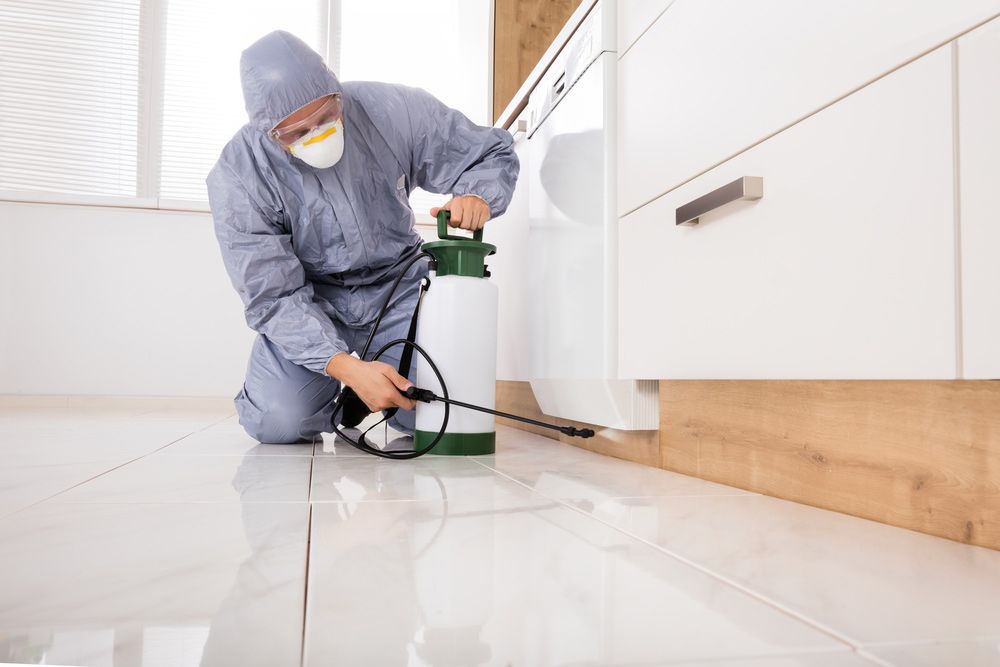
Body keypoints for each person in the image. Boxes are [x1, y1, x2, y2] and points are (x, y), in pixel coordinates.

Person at [207, 31, 518, 444]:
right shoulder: (239, 176)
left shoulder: (392, 111)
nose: (317, 135)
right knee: (278, 421)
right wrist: (347, 368)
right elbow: (273, 296)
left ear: (337, 93)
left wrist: (478, 194)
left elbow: (488, 153)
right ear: (269, 133)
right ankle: (346, 389)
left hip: (399, 288)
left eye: (326, 116)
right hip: (312, 300)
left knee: (430, 416)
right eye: (297, 132)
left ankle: (374, 382)